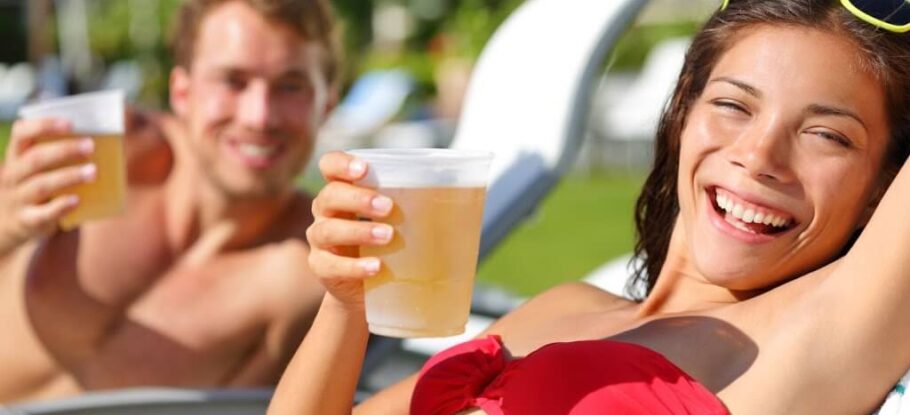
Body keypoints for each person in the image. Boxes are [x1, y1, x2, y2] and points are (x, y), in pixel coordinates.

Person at [267, 0, 910, 413]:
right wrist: (347, 302)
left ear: (882, 191)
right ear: (682, 111)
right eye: (734, 105)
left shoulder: (815, 335)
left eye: (827, 135)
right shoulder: (565, 305)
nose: (759, 155)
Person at [0, 0, 340, 403]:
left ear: (326, 107)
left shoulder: (308, 272)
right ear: (182, 92)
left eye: (290, 86)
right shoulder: (110, 148)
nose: (258, 117)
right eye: (232, 81)